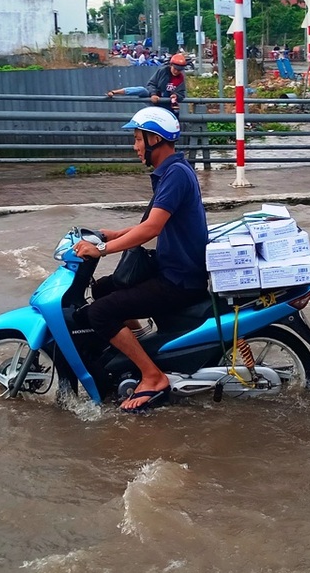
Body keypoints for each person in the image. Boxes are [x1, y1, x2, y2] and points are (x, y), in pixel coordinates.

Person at [72, 107, 208, 413]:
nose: (135, 146)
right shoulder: (172, 171)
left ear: (154, 139)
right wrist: (113, 233)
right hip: (174, 268)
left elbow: (152, 228)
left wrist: (103, 250)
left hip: (179, 280)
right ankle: (140, 345)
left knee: (100, 313)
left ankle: (152, 375)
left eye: (137, 139)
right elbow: (153, 221)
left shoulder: (174, 175)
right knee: (105, 288)